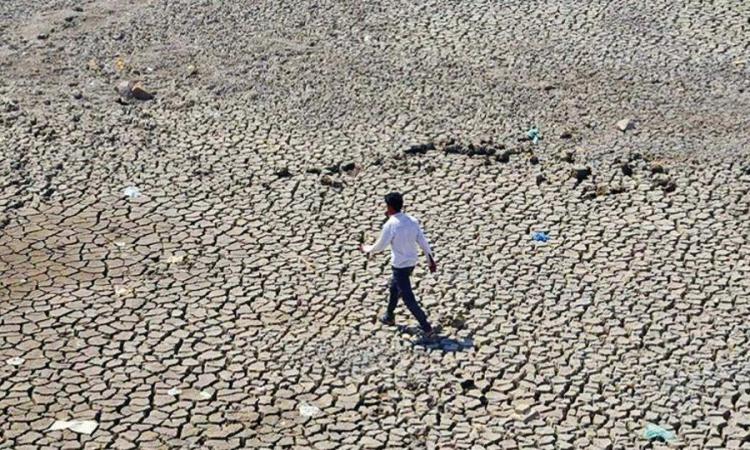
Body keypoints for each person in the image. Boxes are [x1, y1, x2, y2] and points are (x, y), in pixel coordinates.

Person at [360, 192, 437, 337]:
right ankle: (389, 316)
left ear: (389, 207)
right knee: (393, 288)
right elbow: (422, 241)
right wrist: (430, 259)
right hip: (411, 263)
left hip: (400, 266)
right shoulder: (412, 220)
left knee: (408, 298)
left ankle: (427, 328)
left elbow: (380, 245)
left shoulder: (391, 225)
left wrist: (366, 249)